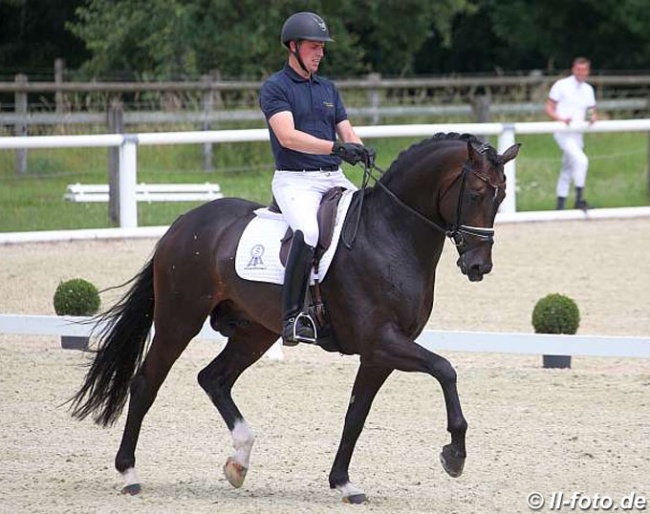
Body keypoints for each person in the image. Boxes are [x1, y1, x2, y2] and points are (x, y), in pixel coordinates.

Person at [259, 11, 374, 346]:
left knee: (367, 220)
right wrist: (336, 147)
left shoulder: (328, 88)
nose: (320, 53)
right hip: (295, 180)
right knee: (308, 232)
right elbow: (288, 137)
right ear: (293, 47)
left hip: (331, 176)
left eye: (322, 47)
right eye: (313, 47)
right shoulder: (275, 88)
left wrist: (359, 149)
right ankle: (292, 318)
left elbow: (347, 130)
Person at [545, 57, 598, 210]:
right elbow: (549, 108)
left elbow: (590, 110)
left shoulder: (588, 89)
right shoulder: (561, 85)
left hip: (578, 133)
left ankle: (560, 205)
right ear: (573, 69)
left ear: (588, 71)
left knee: (568, 168)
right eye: (578, 69)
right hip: (563, 131)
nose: (581, 73)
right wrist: (560, 119)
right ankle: (579, 200)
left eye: (584, 70)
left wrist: (592, 118)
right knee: (582, 161)